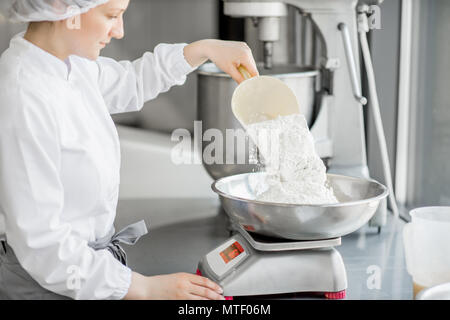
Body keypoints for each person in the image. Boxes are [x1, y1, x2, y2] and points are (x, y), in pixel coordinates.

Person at [0, 0, 258, 300]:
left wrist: (204, 49)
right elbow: (42, 246)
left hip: (85, 273)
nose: (120, 31)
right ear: (65, 9)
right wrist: (142, 288)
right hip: (47, 283)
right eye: (112, 16)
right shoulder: (23, 95)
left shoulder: (69, 65)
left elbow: (131, 81)